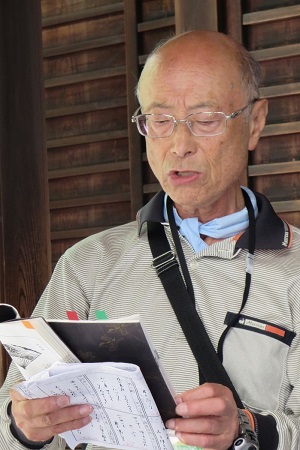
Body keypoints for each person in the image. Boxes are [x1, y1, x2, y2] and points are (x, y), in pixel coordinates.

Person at [0, 29, 299, 450]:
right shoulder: (88, 263)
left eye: (206, 119)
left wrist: (246, 426)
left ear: (256, 122)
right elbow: (9, 419)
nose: (179, 145)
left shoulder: (296, 268)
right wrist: (24, 426)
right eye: (159, 121)